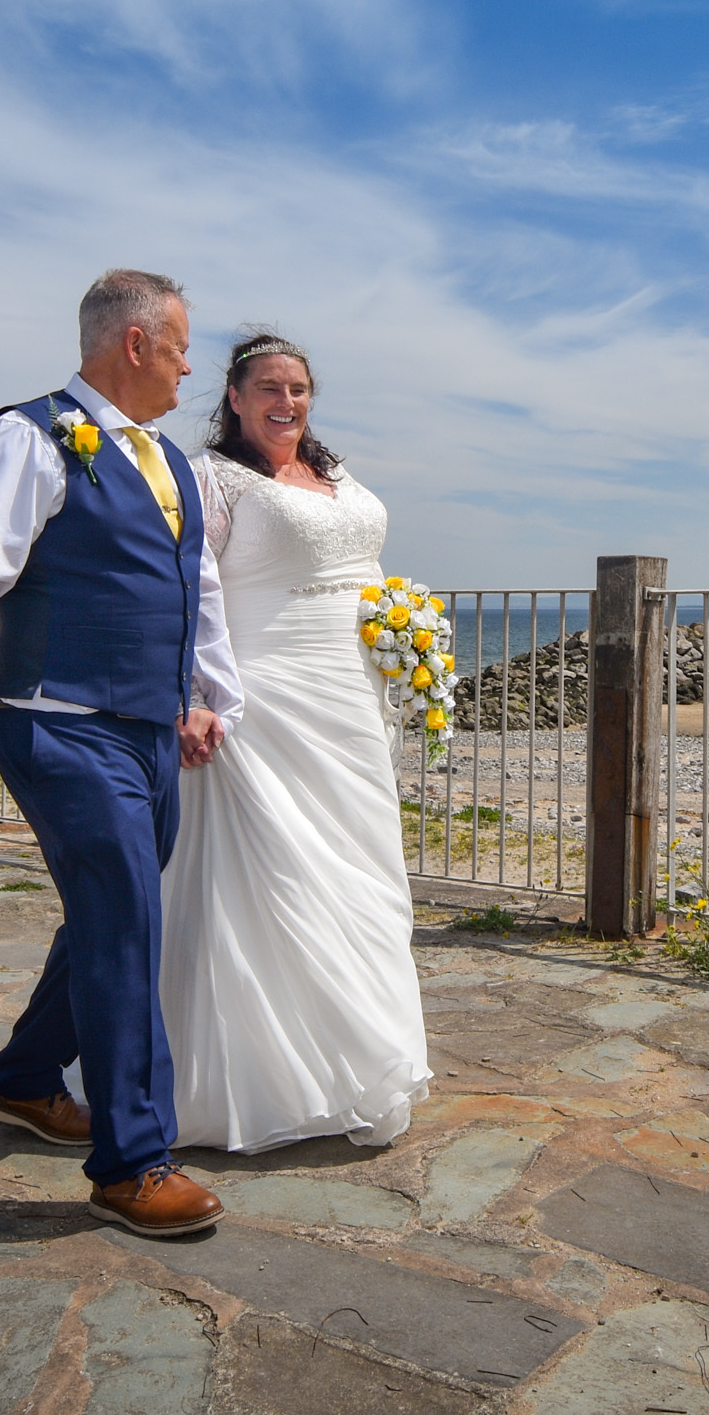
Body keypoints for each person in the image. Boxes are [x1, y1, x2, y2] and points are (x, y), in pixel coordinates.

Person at [0, 269, 244, 1238]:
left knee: (113, 913)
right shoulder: (27, 438)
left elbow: (199, 593)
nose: (192, 365)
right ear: (134, 345)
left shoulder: (174, 465)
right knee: (129, 925)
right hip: (57, 721)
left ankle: (20, 1081)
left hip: (147, 730)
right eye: (182, 346)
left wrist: (209, 695)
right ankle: (133, 1163)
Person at [161, 330, 432, 1152]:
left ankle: (358, 1064)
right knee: (275, 878)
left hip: (350, 701)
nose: (287, 402)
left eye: (300, 389)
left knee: (362, 871)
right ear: (235, 399)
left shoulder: (338, 478)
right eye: (269, 389)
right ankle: (255, 1078)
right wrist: (198, 695)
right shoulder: (213, 479)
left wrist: (401, 630)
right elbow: (188, 588)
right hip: (261, 698)